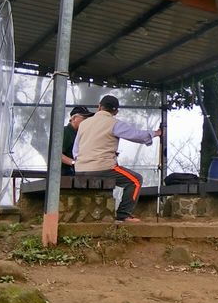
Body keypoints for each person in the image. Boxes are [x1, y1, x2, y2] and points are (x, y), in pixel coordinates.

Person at [73, 94, 162, 222]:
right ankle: (124, 214)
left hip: (80, 169)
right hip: (102, 168)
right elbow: (137, 135)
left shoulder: (84, 124)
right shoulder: (114, 123)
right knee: (136, 180)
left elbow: (75, 150)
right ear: (116, 112)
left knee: (128, 177)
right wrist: (156, 133)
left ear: (99, 107)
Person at [61, 106, 93, 176]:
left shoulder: (81, 133)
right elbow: (57, 154)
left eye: (88, 119)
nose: (87, 121)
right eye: (84, 118)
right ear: (74, 118)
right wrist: (74, 163)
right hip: (65, 175)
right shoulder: (66, 132)